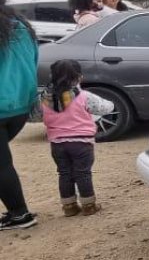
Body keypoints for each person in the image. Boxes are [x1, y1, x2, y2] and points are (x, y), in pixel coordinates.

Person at [40, 60, 114, 217]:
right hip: (81, 142)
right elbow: (106, 107)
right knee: (83, 173)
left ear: (52, 76)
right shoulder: (84, 96)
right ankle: (88, 206)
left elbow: (35, 115)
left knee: (64, 173)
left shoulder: (44, 99)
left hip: (57, 143)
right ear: (79, 77)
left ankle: (69, 207)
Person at [0, 0, 39, 231]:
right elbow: (33, 60)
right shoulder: (21, 27)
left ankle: (20, 214)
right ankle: (17, 212)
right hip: (21, 106)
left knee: (2, 165)